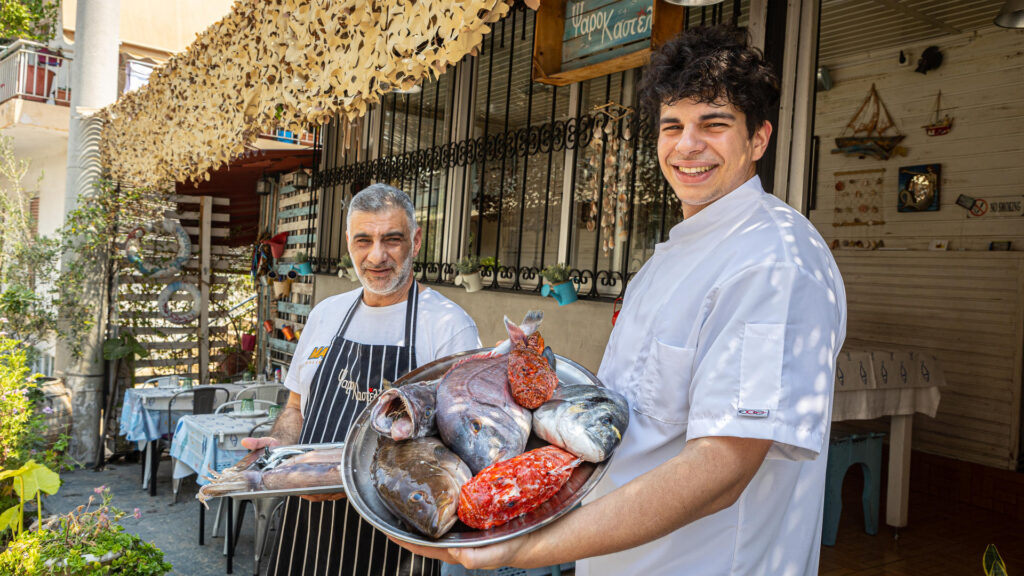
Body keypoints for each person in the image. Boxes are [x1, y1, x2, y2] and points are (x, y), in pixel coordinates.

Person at [395, 25, 847, 575]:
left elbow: (722, 469)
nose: (687, 145)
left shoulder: (773, 261)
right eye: (673, 125)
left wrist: (526, 549)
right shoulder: (673, 255)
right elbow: (637, 411)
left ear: (759, 139)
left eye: (715, 124)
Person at [242, 183, 481, 576]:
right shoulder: (325, 314)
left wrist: (352, 478)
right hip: (307, 521)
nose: (376, 255)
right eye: (363, 240)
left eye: (392, 239)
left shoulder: (448, 327)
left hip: (394, 534)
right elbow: (296, 407)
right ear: (349, 244)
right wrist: (280, 445)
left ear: (416, 241)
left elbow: (460, 446)